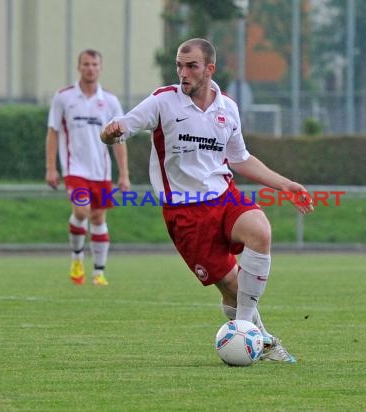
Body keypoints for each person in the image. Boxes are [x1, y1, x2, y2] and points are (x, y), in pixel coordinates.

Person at [100, 38, 314, 362]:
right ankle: (263, 339)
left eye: (191, 66)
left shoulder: (227, 108)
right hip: (185, 213)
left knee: (260, 231)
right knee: (231, 288)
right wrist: (110, 133)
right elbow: (121, 128)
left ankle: (245, 334)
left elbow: (240, 159)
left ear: (210, 69)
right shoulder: (162, 102)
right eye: (179, 66)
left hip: (223, 195)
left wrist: (285, 185)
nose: (183, 73)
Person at [46, 49, 130, 286]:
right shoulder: (64, 97)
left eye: (94, 64)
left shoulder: (110, 101)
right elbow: (52, 132)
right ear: (79, 66)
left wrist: (124, 174)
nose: (90, 68)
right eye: (86, 64)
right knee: (81, 211)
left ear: (100, 67)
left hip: (101, 172)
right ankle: (76, 258)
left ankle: (98, 272)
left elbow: (120, 140)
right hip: (75, 170)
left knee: (97, 217)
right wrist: (51, 168)